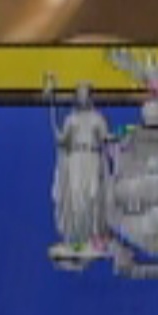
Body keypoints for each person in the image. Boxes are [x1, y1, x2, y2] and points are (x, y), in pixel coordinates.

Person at [50, 82, 110, 251]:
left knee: (93, 194)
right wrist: (54, 123)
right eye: (80, 94)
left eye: (86, 94)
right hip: (76, 159)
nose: (83, 98)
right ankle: (77, 237)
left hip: (92, 156)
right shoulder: (71, 119)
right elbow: (63, 140)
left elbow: (105, 139)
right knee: (76, 195)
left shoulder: (98, 118)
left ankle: (94, 236)